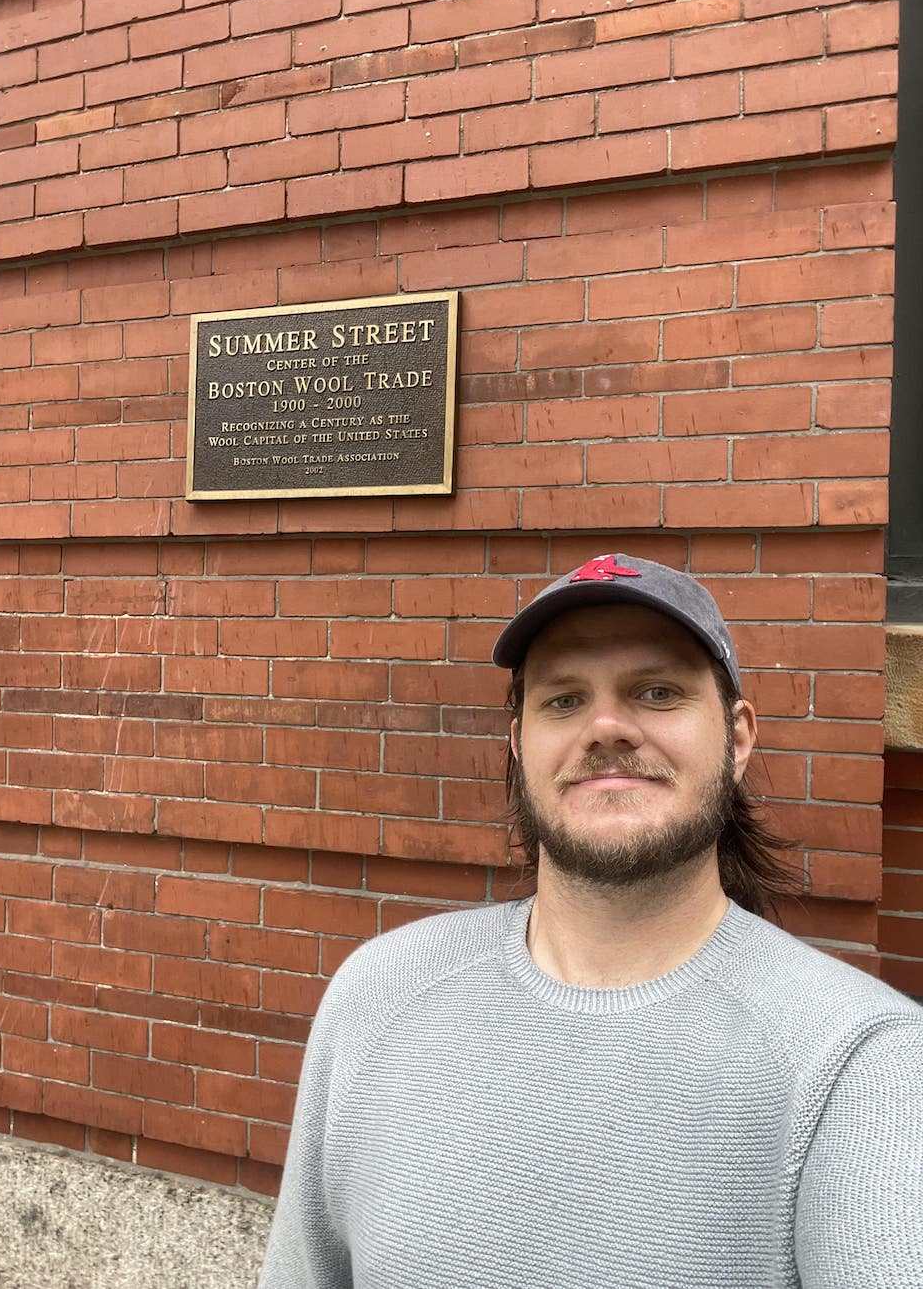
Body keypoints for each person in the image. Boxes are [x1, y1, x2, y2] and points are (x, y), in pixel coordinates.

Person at [259, 552, 923, 1288]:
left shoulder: (863, 1066)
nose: (606, 726)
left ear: (737, 740)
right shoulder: (376, 995)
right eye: (564, 700)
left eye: (658, 690)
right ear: (518, 743)